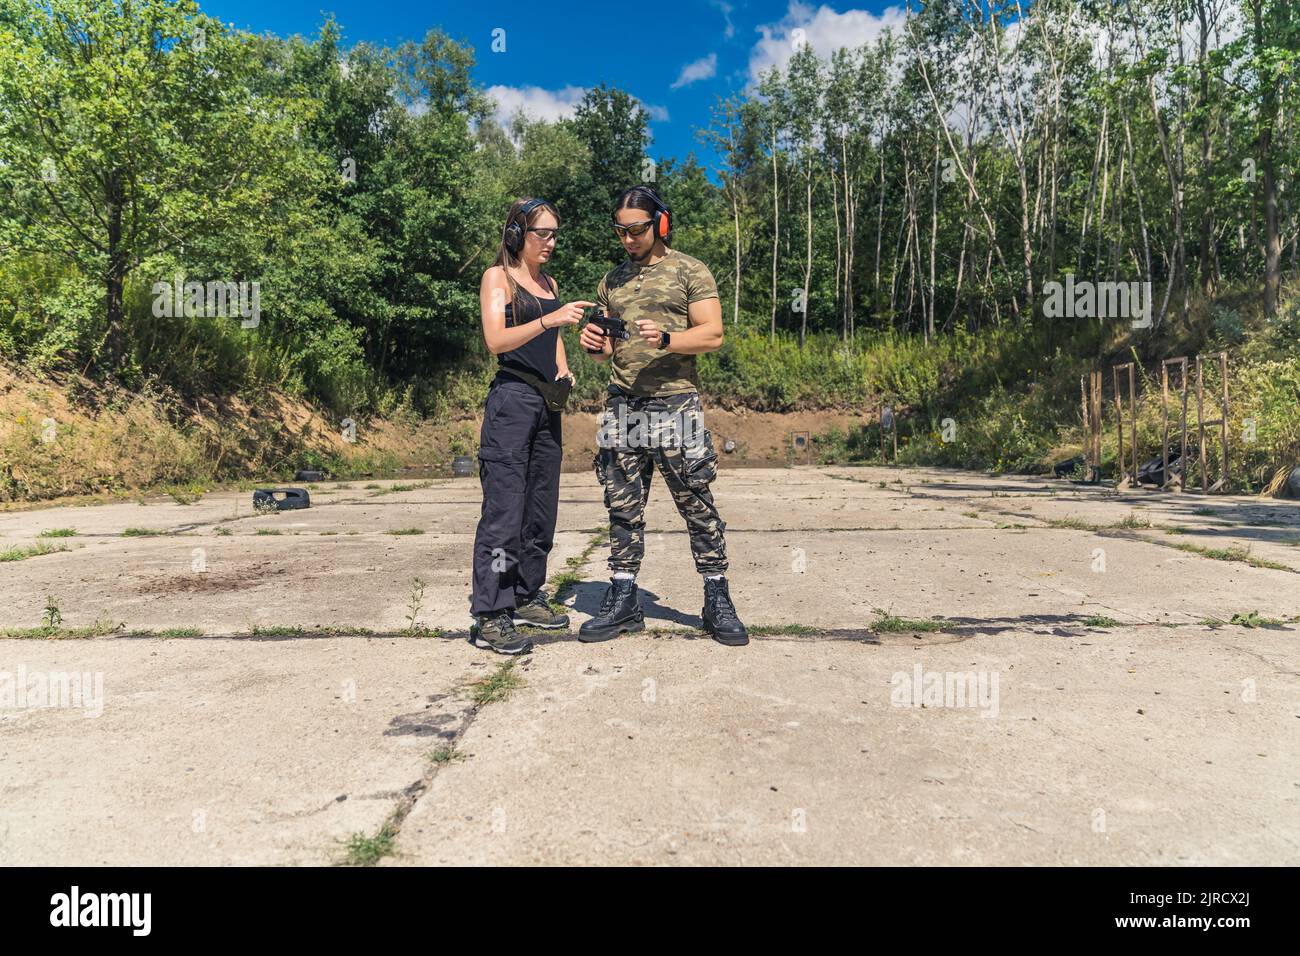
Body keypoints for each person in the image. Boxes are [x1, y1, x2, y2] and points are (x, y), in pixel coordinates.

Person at [577, 185, 748, 646]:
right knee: (622, 505)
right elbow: (608, 351)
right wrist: (595, 347)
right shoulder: (611, 280)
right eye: (621, 231)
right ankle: (624, 598)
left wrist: (669, 339)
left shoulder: (690, 270)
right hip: (623, 405)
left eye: (637, 229)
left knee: (696, 502)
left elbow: (712, 335)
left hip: (676, 404)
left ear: (661, 224)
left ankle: (717, 598)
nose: (629, 239)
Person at [469, 197, 594, 655]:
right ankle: (491, 613)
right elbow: (496, 339)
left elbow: (554, 339)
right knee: (504, 509)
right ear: (519, 235)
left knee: (540, 508)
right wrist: (550, 317)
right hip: (512, 400)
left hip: (546, 402)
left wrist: (563, 369)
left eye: (556, 234)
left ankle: (524, 594)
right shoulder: (497, 278)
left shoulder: (548, 281)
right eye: (544, 233)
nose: (552, 242)